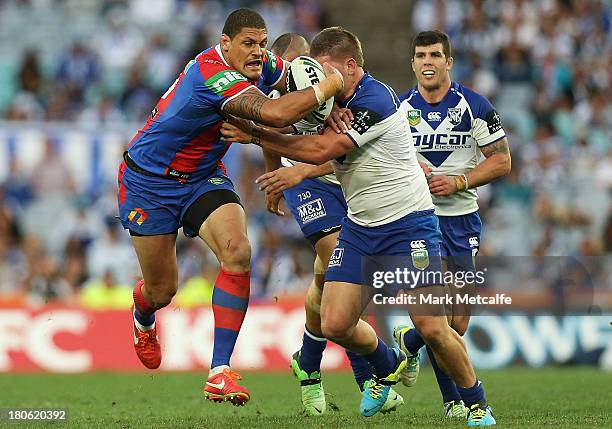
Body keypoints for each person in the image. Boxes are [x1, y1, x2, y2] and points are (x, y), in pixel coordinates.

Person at [220, 26, 495, 425]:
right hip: (361, 227)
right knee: (336, 322)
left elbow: (321, 150)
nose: (322, 82)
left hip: (409, 225)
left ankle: (476, 404)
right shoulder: (334, 104)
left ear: (351, 67)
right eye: (317, 72)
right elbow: (322, 149)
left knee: (433, 325)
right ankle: (389, 362)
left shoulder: (375, 98)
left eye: (328, 72)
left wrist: (256, 134)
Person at [117, 8, 344, 406]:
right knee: (162, 289)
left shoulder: (262, 62)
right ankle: (142, 312)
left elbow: (291, 88)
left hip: (204, 175)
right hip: (149, 182)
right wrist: (330, 86)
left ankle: (219, 371)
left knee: (238, 251)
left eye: (261, 43)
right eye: (248, 44)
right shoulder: (213, 73)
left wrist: (333, 103)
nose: (258, 52)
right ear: (225, 44)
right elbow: (275, 113)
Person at [260, 33, 403, 415]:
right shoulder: (276, 95)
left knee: (327, 278)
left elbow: (337, 150)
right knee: (343, 274)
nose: (298, 74)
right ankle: (373, 375)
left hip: (340, 178)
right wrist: (275, 180)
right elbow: (271, 140)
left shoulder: (331, 87)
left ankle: (308, 363)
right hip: (305, 185)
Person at [394, 30, 510, 420]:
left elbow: (501, 160)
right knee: (438, 315)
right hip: (419, 221)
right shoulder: (397, 110)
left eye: (435, 55)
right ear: (412, 63)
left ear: (449, 62)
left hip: (463, 219)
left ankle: (409, 341)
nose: (427, 62)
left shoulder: (473, 105)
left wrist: (459, 181)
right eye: (421, 55)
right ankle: (454, 402)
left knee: (457, 323)